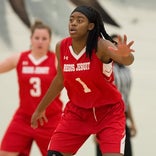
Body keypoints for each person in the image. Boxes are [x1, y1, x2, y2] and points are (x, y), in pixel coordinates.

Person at [31, 5, 135, 156]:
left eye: (80, 20)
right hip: (77, 113)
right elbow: (60, 80)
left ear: (90, 26)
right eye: (71, 20)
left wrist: (125, 55)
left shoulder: (102, 45)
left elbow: (127, 61)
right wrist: (40, 108)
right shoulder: (62, 47)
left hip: (109, 112)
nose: (73, 23)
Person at [0, 20, 63, 156]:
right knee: (5, 152)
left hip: (50, 119)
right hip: (24, 118)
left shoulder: (56, 60)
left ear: (50, 40)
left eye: (44, 38)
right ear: (31, 39)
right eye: (37, 38)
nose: (40, 41)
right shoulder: (19, 58)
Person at [95, 34, 137, 156]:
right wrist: (95, 127)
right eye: (113, 44)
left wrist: (132, 121)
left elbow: (126, 97)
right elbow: (98, 97)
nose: (117, 47)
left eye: (118, 44)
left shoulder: (126, 68)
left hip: (122, 118)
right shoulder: (105, 66)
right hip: (106, 119)